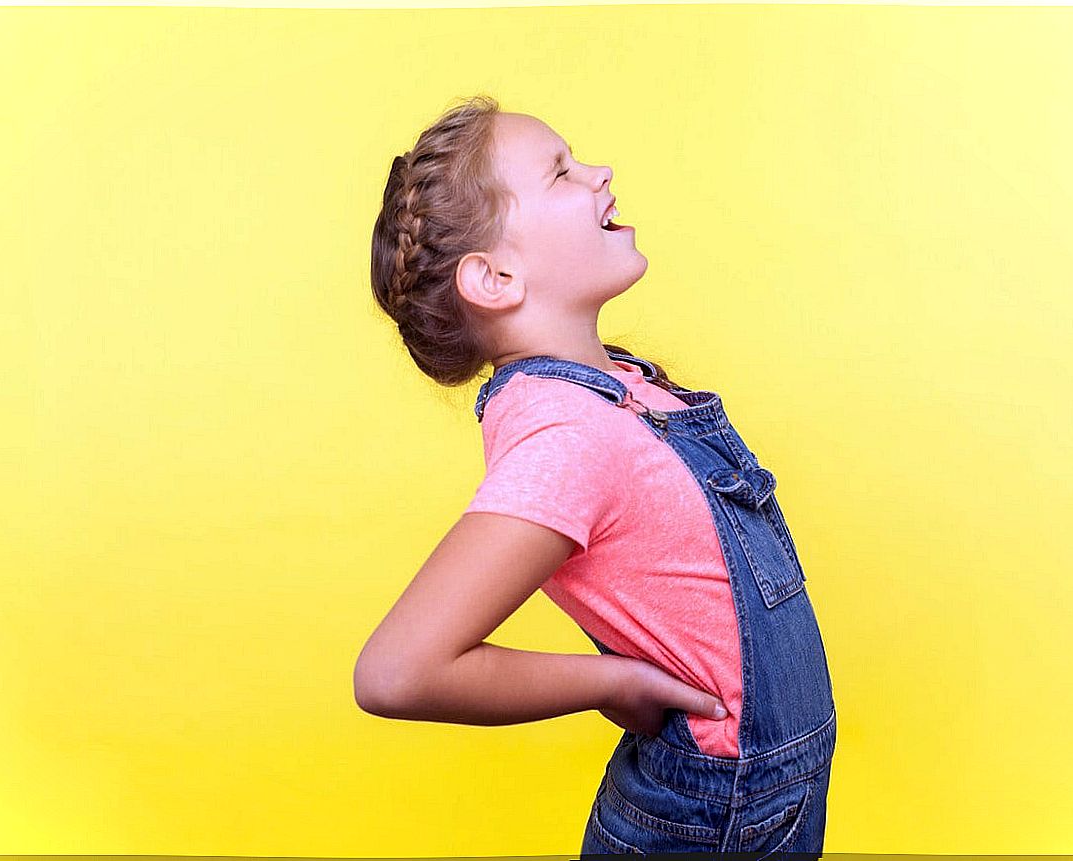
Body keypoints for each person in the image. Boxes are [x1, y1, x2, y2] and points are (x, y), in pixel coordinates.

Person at [356, 94, 836, 856]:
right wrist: (613, 682)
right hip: (712, 814)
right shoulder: (567, 434)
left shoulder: (616, 387)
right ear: (495, 276)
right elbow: (396, 672)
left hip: (758, 799)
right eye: (560, 172)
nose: (598, 172)